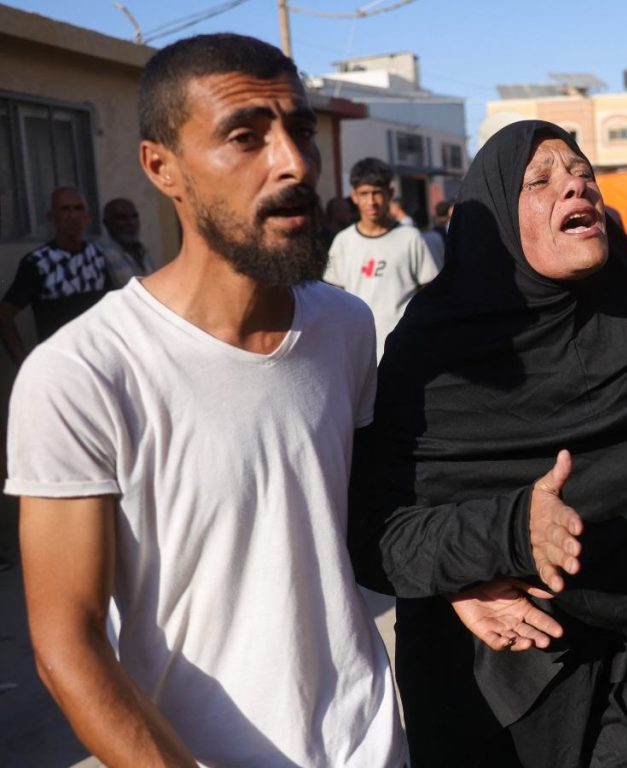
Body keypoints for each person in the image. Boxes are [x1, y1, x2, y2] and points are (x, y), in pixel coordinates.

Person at [7, 33, 405, 766]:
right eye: (245, 137)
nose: (294, 162)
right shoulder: (84, 374)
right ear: (163, 167)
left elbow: (368, 523)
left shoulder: (346, 327)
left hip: (371, 743)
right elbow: (67, 646)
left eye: (300, 131)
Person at [349, 120, 627, 767]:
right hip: (494, 688)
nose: (575, 186)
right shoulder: (436, 355)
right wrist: (502, 536)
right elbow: (374, 531)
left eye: (583, 173)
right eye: (542, 180)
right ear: (498, 217)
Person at [323, 158, 437, 360]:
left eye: (377, 193)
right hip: (357, 351)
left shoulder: (410, 237)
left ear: (390, 194)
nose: (372, 201)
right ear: (354, 196)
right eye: (364, 194)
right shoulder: (343, 241)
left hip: (404, 350)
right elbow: (332, 297)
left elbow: (430, 293)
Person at [0, 187, 108, 365]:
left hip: (100, 358)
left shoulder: (97, 255)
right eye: (65, 209)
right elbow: (5, 314)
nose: (72, 216)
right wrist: (24, 363)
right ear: (51, 217)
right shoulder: (39, 262)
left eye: (78, 208)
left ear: (87, 217)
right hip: (60, 363)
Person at [100, 197, 155, 287]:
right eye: (122, 218)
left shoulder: (143, 251)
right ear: (107, 223)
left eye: (134, 216)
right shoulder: (102, 255)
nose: (131, 222)